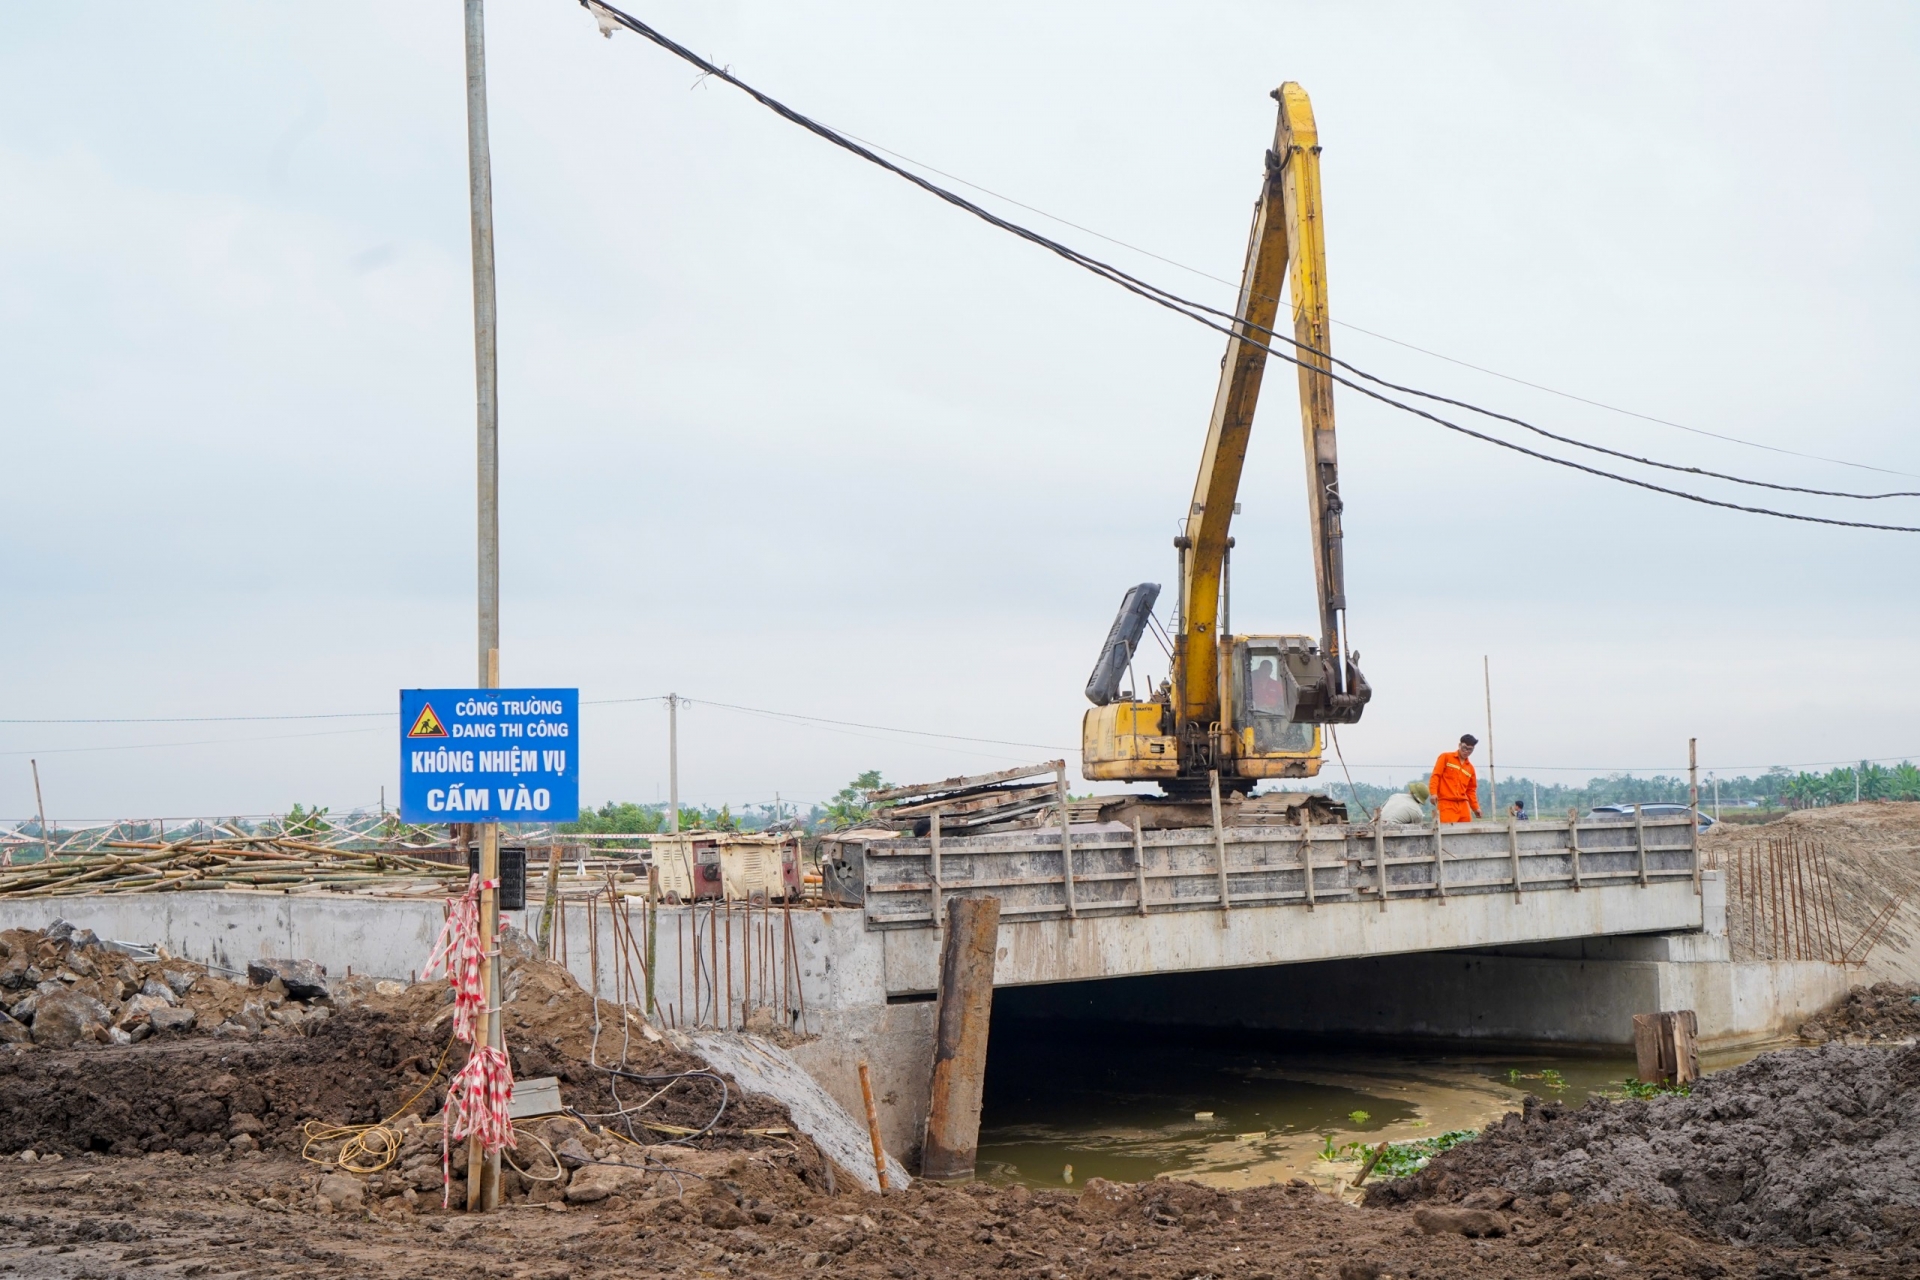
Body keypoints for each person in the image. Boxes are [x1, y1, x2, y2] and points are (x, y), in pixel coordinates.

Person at [1430, 735, 1481, 824]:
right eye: (1464, 748)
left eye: (1470, 749)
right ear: (1459, 745)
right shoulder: (1445, 757)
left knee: (1466, 832)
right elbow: (1436, 775)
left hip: (1463, 805)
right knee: (1447, 832)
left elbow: (1471, 790)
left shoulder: (1470, 768)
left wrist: (1475, 808)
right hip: (1446, 803)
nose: (1466, 751)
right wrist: (1433, 793)